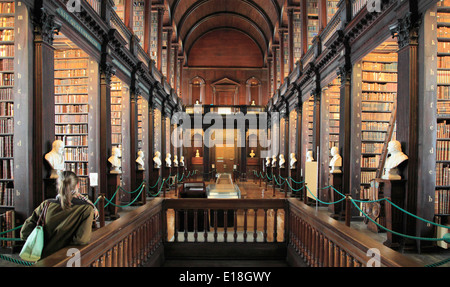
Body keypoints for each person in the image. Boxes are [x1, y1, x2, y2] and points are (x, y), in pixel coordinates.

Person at [20, 171, 96, 260]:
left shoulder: (46, 205)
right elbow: (82, 239)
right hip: (68, 258)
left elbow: (24, 232)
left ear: (58, 185)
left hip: (43, 257)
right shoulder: (86, 209)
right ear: (78, 185)